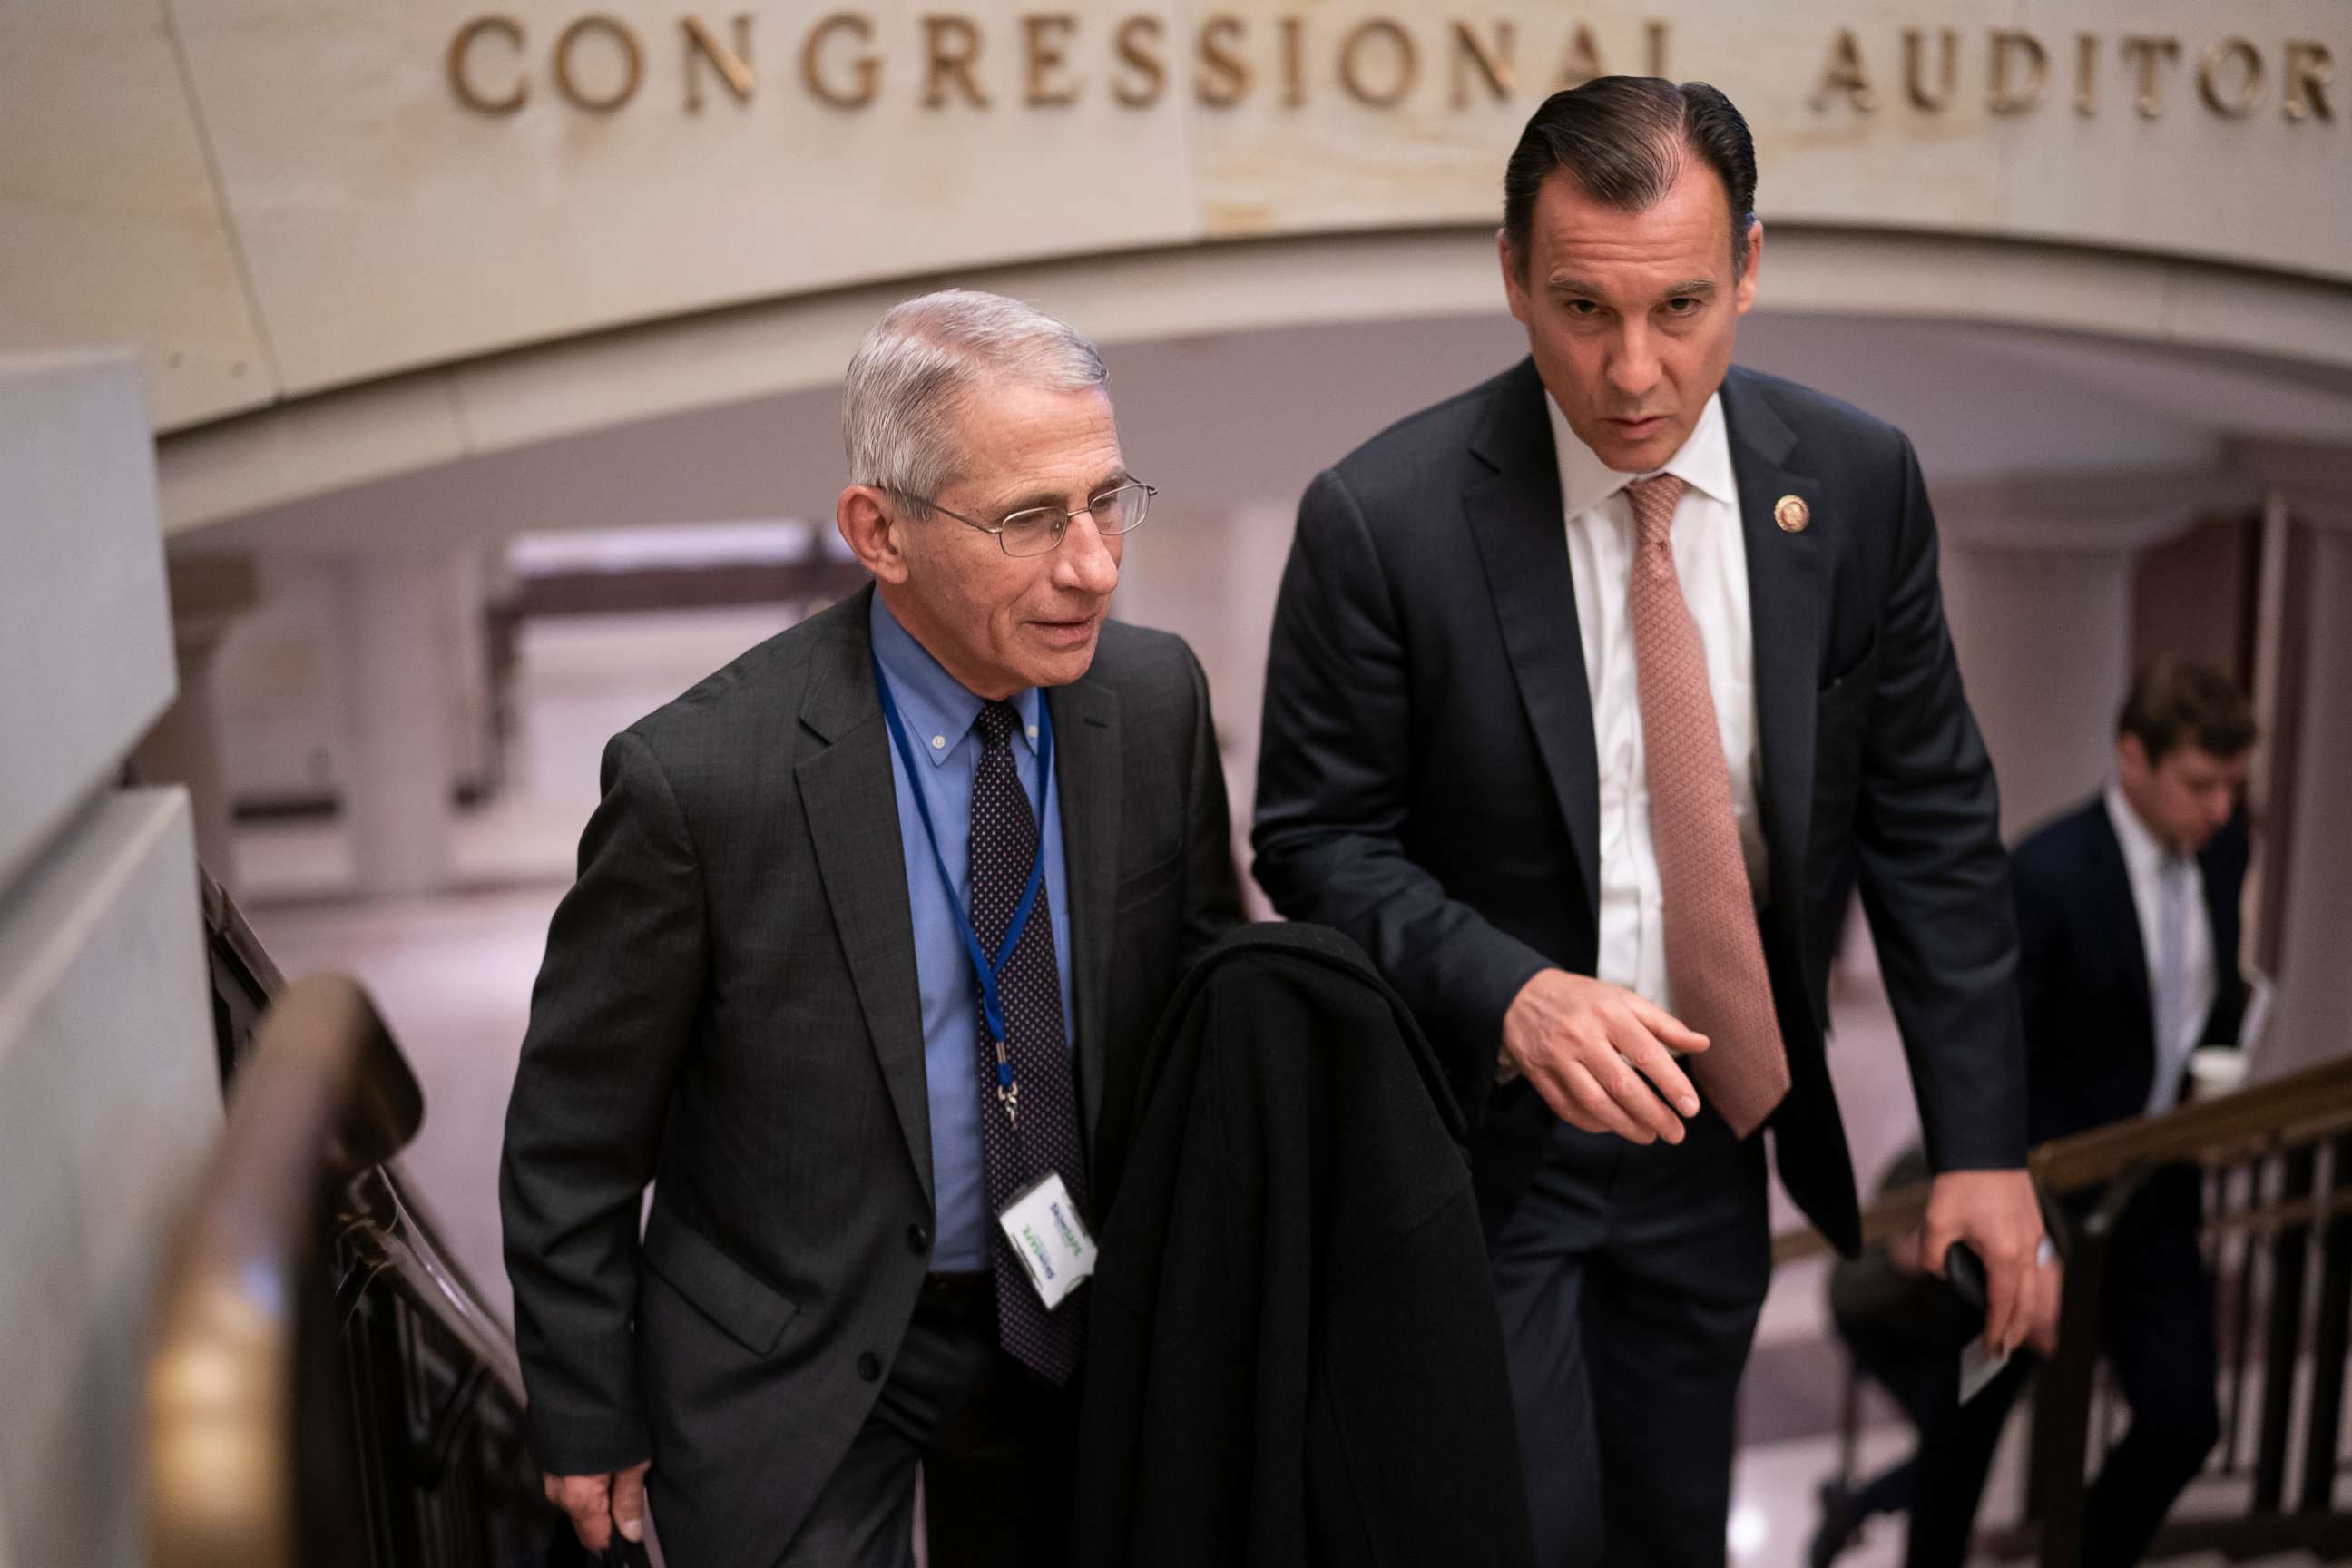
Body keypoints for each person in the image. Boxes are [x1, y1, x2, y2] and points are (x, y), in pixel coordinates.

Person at [1251, 76, 2044, 1568]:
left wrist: (1983, 1144)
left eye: (1681, 305)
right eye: (1580, 309)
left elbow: (1929, 818)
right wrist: (1513, 993)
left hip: (1713, 1134)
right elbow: (1314, 834)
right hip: (1487, 1150)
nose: (1630, 372)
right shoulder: (1381, 517)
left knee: (1671, 1527)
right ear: (1509, 275)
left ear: (1748, 265)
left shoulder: (1854, 481)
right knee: (1517, 1531)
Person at [500, 289, 1241, 1568]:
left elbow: (1205, 1008)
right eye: (1029, 520)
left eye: (1105, 502)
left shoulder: (1154, 699)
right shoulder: (701, 781)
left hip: (1068, 1316)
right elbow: (573, 1136)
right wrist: (582, 1404)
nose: (1094, 566)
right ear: (878, 532)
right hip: (790, 1346)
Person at [1906, 657, 2254, 1568]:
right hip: (2033, 1192)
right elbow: (1995, 1060)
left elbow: (2210, 986)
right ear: (2133, 758)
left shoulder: (2225, 847)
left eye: (2233, 786)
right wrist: (2036, 1242)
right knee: (1962, 1445)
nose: (2219, 809)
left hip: (2154, 1189)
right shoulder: (2048, 872)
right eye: (2201, 784)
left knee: (2185, 1419)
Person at [1809, 1146, 1940, 1567]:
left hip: (1927, 1318)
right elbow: (1913, 1252)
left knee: (1958, 1434)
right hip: (1879, 1317)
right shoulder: (1928, 1160)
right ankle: (1854, 1507)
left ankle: (1853, 1506)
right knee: (1953, 1440)